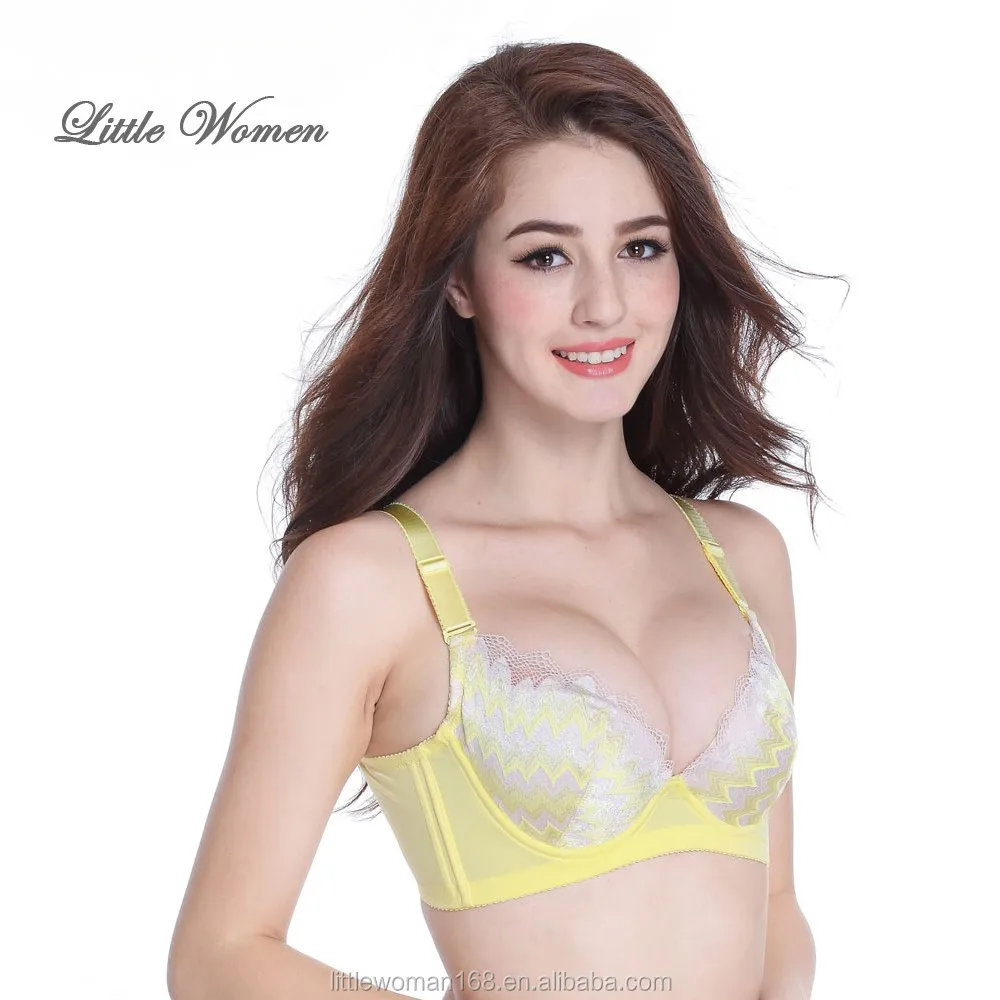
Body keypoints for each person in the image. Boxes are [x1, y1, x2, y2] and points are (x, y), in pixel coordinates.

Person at [167, 40, 822, 1000]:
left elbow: (777, 910)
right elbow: (221, 955)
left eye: (641, 248)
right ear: (461, 282)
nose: (605, 304)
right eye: (545, 256)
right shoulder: (370, 582)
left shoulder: (740, 553)